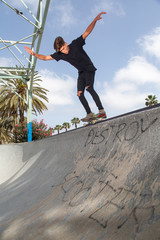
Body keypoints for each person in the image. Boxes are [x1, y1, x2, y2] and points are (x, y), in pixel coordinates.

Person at [25, 12, 107, 122]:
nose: (64, 52)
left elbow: (87, 32)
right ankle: (89, 114)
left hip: (89, 68)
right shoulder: (60, 54)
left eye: (63, 48)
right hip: (81, 72)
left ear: (66, 44)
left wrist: (95, 20)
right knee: (79, 94)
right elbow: (45, 58)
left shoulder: (76, 44)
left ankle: (101, 111)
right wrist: (34, 54)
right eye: (61, 51)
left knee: (89, 88)